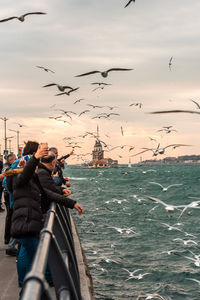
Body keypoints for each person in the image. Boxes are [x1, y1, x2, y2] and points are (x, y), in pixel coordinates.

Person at [6, 142, 83, 287]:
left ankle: (28, 281)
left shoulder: (30, 180)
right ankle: (36, 282)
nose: (37, 167)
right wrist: (35, 157)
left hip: (28, 221)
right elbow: (29, 175)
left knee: (28, 253)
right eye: (35, 165)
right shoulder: (21, 181)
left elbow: (48, 192)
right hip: (26, 222)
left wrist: (71, 203)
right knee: (37, 256)